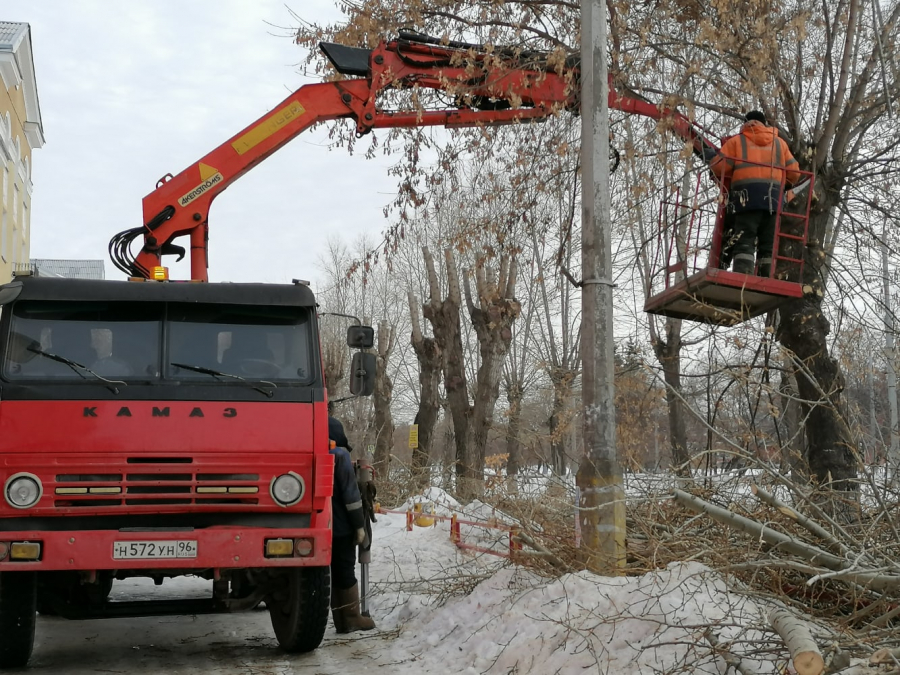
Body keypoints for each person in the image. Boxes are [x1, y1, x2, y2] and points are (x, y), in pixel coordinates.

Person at [709, 110, 801, 277]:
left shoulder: (737, 142)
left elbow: (718, 167)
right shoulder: (780, 144)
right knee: (768, 242)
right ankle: (765, 277)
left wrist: (712, 158)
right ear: (764, 124)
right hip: (772, 201)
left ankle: (743, 275)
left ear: (745, 123)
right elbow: (795, 174)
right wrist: (782, 182)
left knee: (745, 239)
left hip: (746, 200)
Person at [328, 416, 375, 633]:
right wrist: (359, 526)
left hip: (321, 525)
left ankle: (340, 619)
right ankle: (353, 617)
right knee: (345, 569)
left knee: (333, 572)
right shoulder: (340, 455)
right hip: (341, 527)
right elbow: (351, 495)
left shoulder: (310, 452)